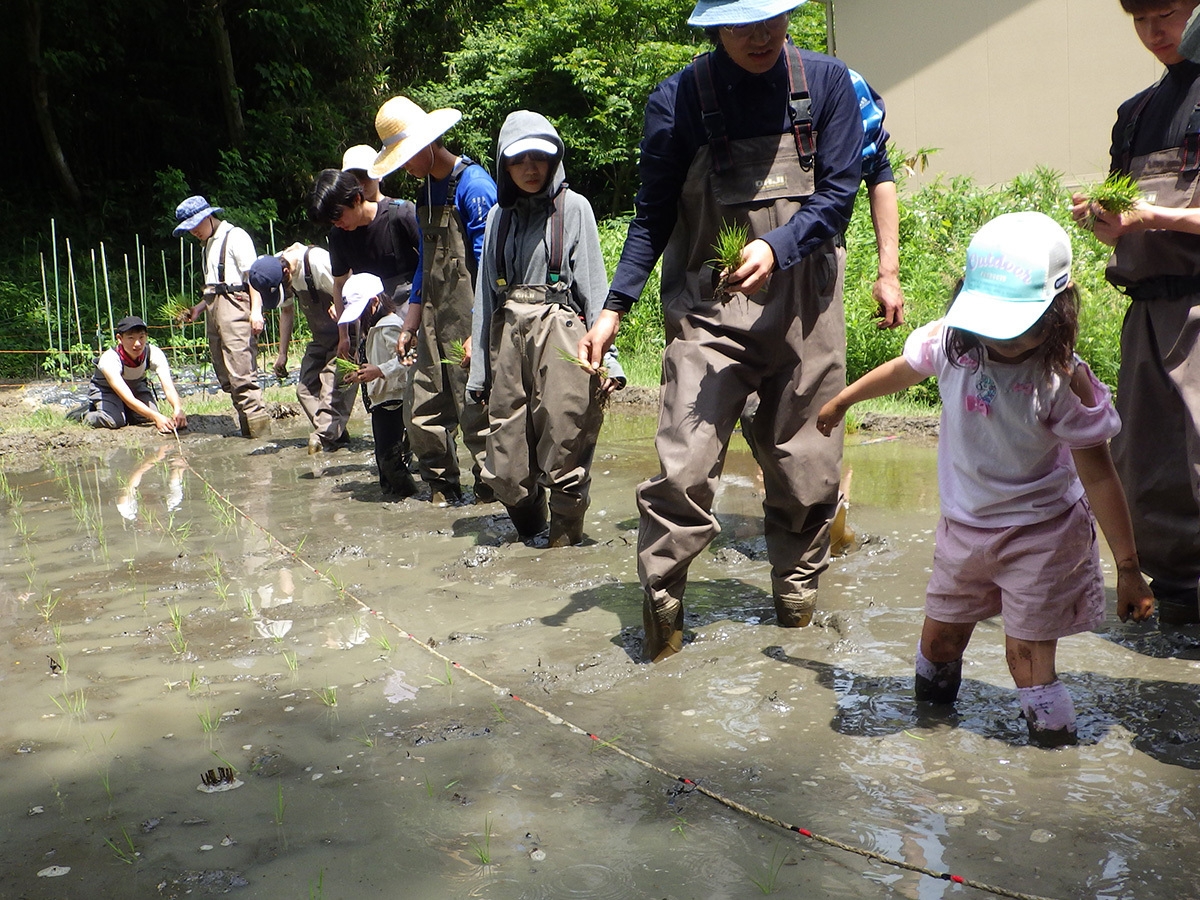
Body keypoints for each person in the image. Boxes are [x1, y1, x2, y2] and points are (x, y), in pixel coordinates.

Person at [577, 0, 864, 662]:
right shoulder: (676, 101)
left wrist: (781, 246)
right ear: (713, 25)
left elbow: (839, 191)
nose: (761, 35)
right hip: (710, 308)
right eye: (742, 23)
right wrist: (613, 306)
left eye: (772, 18)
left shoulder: (826, 83)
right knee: (684, 460)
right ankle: (664, 609)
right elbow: (650, 215)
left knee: (807, 471)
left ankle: (795, 607)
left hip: (806, 310)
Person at [816, 211, 1155, 747]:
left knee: (1026, 662)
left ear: (1056, 313)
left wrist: (1130, 569)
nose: (999, 341)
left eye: (1016, 326)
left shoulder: (1060, 381)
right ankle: (932, 738)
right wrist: (843, 399)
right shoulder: (953, 345)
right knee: (938, 644)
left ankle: (1053, 761)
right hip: (964, 530)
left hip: (1042, 535)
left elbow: (1100, 478)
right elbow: (904, 368)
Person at [1069, 0, 1200, 625]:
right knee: (1146, 464)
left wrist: (1155, 216)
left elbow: (1156, 218)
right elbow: (1117, 235)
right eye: (1141, 19)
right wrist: (1103, 219)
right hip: (1146, 314)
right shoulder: (1137, 114)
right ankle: (1175, 598)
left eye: (1169, 13)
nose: (1156, 32)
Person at [467, 110, 625, 546]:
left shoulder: (575, 209)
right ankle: (531, 537)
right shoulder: (498, 216)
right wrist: (480, 373)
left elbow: (595, 288)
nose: (531, 169)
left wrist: (608, 360)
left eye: (540, 157)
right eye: (519, 161)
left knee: (566, 445)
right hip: (506, 340)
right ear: (504, 166)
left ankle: (561, 554)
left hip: (562, 338)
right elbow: (484, 300)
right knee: (505, 460)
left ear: (554, 159)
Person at [369, 96, 497, 506]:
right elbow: (425, 263)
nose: (405, 168)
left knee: (476, 408)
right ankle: (441, 492)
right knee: (421, 411)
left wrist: (480, 331)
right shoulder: (425, 191)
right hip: (431, 320)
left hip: (470, 317)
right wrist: (409, 324)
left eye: (407, 158)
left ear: (429, 145)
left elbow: (489, 265)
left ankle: (491, 494)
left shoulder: (474, 187)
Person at [173, 195, 271, 438]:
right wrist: (198, 308)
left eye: (195, 225)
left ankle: (260, 438)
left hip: (236, 307)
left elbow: (253, 279)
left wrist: (256, 311)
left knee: (242, 372)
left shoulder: (235, 236)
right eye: (189, 229)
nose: (193, 232)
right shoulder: (207, 244)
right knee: (225, 374)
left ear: (208, 216)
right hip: (214, 308)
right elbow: (214, 287)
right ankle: (247, 430)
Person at [248, 244, 356, 454]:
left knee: (332, 382)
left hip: (347, 331)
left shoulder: (316, 262)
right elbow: (287, 312)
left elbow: (351, 287)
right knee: (304, 388)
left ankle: (323, 436)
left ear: (286, 272)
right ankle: (334, 432)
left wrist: (341, 304)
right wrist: (282, 354)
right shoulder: (273, 267)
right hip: (321, 336)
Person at [339, 273, 419, 497]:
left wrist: (380, 371)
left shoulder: (390, 325)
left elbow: (410, 357)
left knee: (389, 457)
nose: (359, 320)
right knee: (382, 457)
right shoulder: (375, 327)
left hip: (393, 401)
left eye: (361, 313)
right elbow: (377, 361)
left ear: (375, 303)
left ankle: (409, 495)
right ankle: (391, 494)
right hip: (380, 401)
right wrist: (361, 374)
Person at [77, 315, 187, 433]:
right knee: (114, 421)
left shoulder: (154, 353)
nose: (138, 343)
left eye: (141, 337)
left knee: (146, 417)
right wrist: (156, 417)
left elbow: (168, 387)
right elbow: (127, 397)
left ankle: (122, 410)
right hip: (106, 390)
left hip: (136, 386)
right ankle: (84, 415)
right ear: (120, 338)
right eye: (131, 338)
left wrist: (177, 408)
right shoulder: (109, 359)